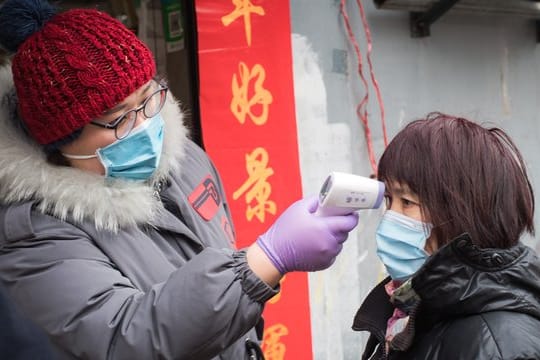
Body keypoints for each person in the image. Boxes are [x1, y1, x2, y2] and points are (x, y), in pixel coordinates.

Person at [0, 0, 359, 359]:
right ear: (62, 139)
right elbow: (125, 341)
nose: (144, 127)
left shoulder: (184, 157)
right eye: (118, 118)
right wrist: (265, 262)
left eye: (147, 98)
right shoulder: (33, 235)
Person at [352, 112, 540, 359]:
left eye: (407, 201)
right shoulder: (413, 312)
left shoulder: (501, 345)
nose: (390, 217)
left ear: (466, 212)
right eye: (389, 200)